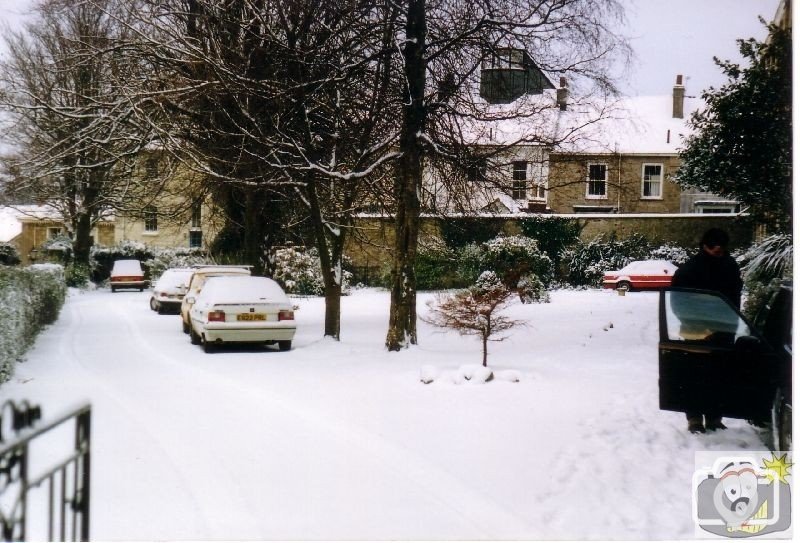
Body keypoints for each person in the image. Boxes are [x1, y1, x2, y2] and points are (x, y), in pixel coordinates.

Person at [671, 227, 743, 434]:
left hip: (724, 329)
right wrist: (699, 325)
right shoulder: (689, 270)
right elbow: (678, 302)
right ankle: (694, 418)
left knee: (719, 375)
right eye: (714, 245)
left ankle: (714, 417)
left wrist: (730, 321)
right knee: (695, 376)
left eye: (722, 245)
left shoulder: (730, 267)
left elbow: (735, 298)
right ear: (704, 245)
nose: (718, 249)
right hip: (695, 331)